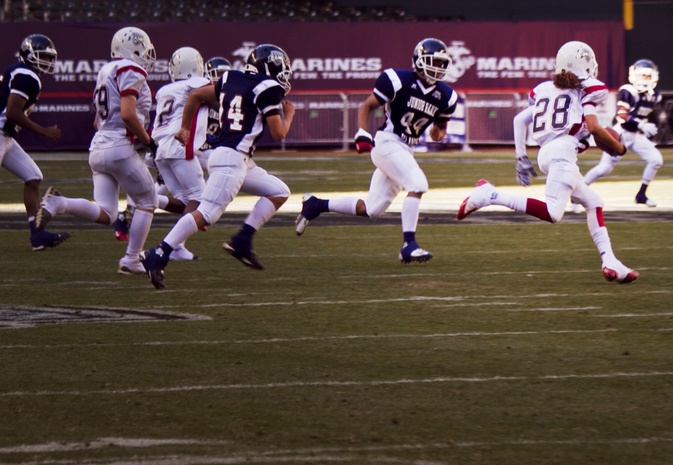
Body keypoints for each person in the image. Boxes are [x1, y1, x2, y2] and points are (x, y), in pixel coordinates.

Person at [456, 40, 638, 284]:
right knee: (553, 212)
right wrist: (618, 147)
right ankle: (489, 195)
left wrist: (521, 157)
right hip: (562, 151)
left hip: (546, 152)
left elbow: (520, 120)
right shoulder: (585, 91)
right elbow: (594, 126)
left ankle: (610, 261)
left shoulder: (543, 89)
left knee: (593, 202)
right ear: (585, 64)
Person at [141, 44, 296, 289]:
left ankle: (242, 241)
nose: (284, 75)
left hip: (231, 157)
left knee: (279, 191)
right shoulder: (268, 88)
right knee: (206, 214)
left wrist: (185, 127)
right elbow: (279, 133)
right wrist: (289, 115)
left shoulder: (229, 77)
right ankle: (159, 252)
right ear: (269, 66)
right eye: (282, 69)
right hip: (231, 159)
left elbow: (195, 96)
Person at [295, 38, 457, 264]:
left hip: (405, 149)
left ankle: (315, 204)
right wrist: (362, 132)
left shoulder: (447, 95)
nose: (437, 68)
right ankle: (409, 245)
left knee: (372, 209)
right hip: (387, 142)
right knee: (418, 184)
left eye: (441, 63)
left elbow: (440, 126)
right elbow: (367, 106)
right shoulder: (397, 80)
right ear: (418, 61)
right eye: (433, 62)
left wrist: (438, 133)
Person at [36, 26, 159, 275]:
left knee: (107, 213)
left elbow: (97, 121)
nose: (145, 53)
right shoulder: (130, 69)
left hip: (98, 147)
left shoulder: (106, 70)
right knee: (148, 201)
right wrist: (149, 140)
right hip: (118, 147)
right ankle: (131, 260)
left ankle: (59, 203)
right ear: (130, 48)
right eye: (141, 47)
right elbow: (127, 114)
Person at [1, 34, 71, 251]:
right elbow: (13, 112)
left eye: (49, 57)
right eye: (42, 56)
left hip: (6, 136)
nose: (47, 62)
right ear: (29, 54)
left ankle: (37, 234)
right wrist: (43, 131)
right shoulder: (28, 76)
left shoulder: (19, 71)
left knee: (33, 176)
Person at [148, 46, 213, 261]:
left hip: (161, 150)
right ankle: (172, 246)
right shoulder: (197, 83)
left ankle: (149, 199)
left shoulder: (165, 90)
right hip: (179, 144)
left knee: (186, 202)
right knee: (202, 201)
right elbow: (217, 98)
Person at [582, 59, 664, 207]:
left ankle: (641, 195)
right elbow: (622, 116)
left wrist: (645, 126)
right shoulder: (628, 91)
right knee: (604, 168)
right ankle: (578, 193)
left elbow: (643, 114)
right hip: (621, 133)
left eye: (647, 76)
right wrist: (642, 124)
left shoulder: (655, 95)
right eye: (641, 75)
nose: (644, 79)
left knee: (656, 159)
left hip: (636, 135)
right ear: (633, 76)